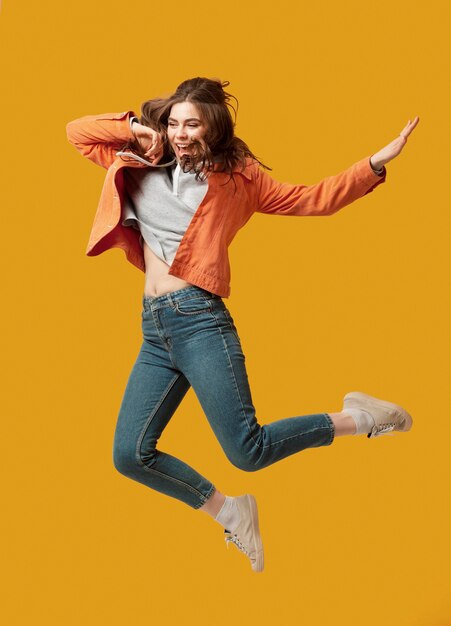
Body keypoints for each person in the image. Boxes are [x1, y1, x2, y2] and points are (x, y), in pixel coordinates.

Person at [66, 77, 419, 573]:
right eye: (173, 122)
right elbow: (78, 133)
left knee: (248, 451)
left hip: (200, 322)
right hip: (155, 329)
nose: (181, 133)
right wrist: (135, 130)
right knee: (130, 454)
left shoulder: (240, 181)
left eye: (192, 124)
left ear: (213, 127)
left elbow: (313, 198)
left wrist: (373, 165)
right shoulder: (139, 160)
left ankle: (361, 419)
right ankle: (229, 511)